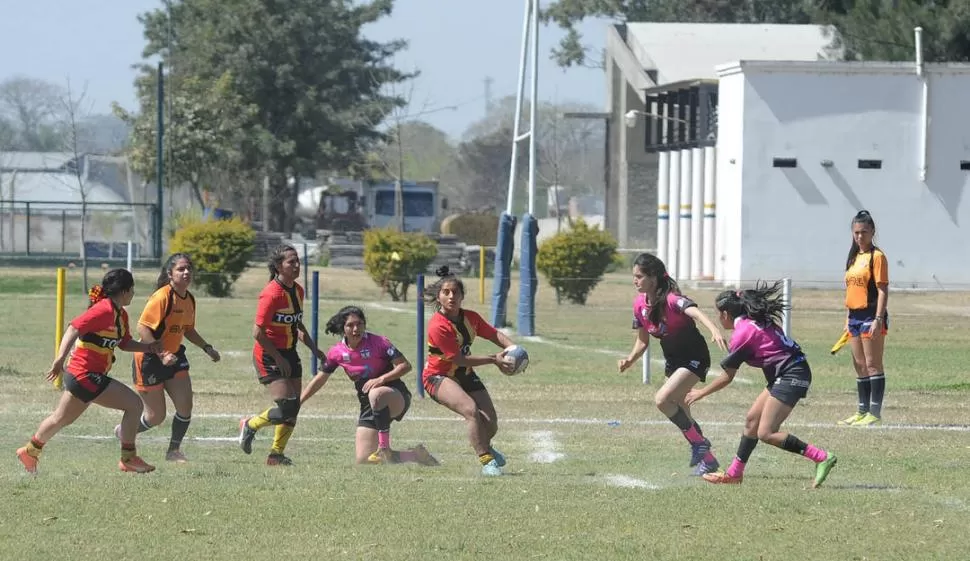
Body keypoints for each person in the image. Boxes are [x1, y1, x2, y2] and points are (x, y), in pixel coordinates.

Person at [686, 281, 838, 488]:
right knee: (752, 421)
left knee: (766, 432)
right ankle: (734, 474)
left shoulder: (742, 333)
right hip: (785, 373)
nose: (718, 318)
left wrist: (700, 393)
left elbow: (727, 376)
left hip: (792, 373)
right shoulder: (754, 321)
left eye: (718, 313)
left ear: (725, 314)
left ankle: (821, 457)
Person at [17, 269, 162, 474]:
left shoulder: (120, 315)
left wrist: (150, 348)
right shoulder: (103, 310)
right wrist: (59, 359)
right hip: (84, 375)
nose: (133, 294)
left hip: (83, 376)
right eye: (132, 289)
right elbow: (73, 328)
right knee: (134, 405)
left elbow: (125, 343)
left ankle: (30, 451)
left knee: (62, 418)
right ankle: (128, 458)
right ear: (124, 291)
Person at [617, 253, 727, 476]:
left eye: (639, 276)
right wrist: (630, 359)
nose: (635, 281)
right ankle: (708, 459)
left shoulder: (671, 299)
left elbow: (694, 311)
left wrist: (714, 329)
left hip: (694, 357)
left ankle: (700, 444)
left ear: (654, 278)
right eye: (634, 276)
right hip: (674, 361)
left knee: (662, 400)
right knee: (682, 411)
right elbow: (643, 340)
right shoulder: (639, 305)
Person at [301, 305, 438, 466]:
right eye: (350, 325)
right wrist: (299, 401)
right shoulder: (336, 352)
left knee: (376, 394)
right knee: (364, 459)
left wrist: (380, 380)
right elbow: (320, 379)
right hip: (368, 405)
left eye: (359, 324)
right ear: (342, 328)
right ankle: (416, 456)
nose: (355, 329)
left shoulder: (379, 342)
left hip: (395, 395)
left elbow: (405, 366)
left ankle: (384, 447)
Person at [118, 253, 221, 463]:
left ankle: (173, 451)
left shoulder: (189, 298)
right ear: (170, 274)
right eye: (181, 269)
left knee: (185, 406)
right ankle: (124, 431)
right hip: (149, 360)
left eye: (189, 268)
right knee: (156, 417)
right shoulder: (162, 297)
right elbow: (143, 327)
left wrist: (206, 347)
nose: (186, 272)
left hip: (174, 357)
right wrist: (162, 354)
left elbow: (188, 329)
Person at [422, 266, 517, 476]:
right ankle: (486, 461)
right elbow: (458, 358)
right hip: (438, 377)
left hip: (464, 374)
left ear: (462, 296)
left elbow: (494, 335)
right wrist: (494, 359)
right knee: (470, 410)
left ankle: (485, 445)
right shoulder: (438, 325)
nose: (451, 296)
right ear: (439, 297)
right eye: (446, 292)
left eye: (455, 292)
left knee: (490, 422)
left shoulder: (471, 318)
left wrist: (514, 349)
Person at [238, 244, 325, 466]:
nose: (297, 266)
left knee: (293, 408)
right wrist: (278, 358)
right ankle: (250, 425)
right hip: (269, 355)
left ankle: (276, 455)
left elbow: (296, 323)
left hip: (290, 352)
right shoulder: (271, 294)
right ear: (279, 267)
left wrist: (314, 349)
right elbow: (257, 333)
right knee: (288, 407)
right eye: (291, 262)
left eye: (298, 261)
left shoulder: (297, 290)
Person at [838, 210, 889, 427]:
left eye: (864, 232)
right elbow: (850, 289)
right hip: (854, 317)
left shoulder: (877, 257)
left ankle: (874, 412)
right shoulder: (853, 257)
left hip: (870, 315)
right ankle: (861, 411)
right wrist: (847, 317)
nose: (860, 236)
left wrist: (878, 318)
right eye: (856, 232)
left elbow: (882, 289)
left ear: (872, 232)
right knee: (859, 364)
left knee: (872, 364)